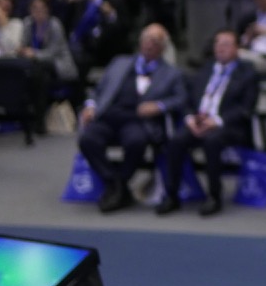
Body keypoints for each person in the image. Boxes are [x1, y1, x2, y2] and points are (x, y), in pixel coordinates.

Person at [77, 24, 188, 213]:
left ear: (163, 48)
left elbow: (182, 99)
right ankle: (116, 183)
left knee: (136, 142)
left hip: (138, 120)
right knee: (87, 140)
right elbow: (97, 90)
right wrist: (90, 106)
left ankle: (117, 187)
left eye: (155, 41)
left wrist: (159, 106)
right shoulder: (119, 62)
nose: (149, 45)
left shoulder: (172, 73)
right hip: (108, 115)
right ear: (140, 41)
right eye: (147, 39)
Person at [160, 31, 257, 217]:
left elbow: (246, 108)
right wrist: (190, 119)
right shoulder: (205, 69)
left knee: (212, 142)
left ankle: (214, 196)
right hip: (199, 121)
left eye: (227, 44)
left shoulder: (247, 73)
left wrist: (217, 121)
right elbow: (187, 99)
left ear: (237, 49)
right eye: (218, 43)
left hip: (228, 125)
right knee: (176, 141)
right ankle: (171, 195)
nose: (221, 47)